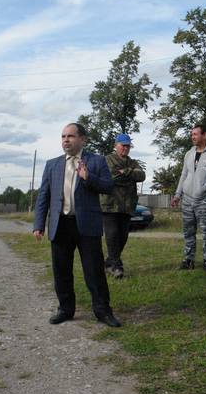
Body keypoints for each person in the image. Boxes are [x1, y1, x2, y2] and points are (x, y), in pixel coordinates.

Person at [33, 123, 121, 327]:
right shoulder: (52, 164)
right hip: (60, 224)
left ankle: (103, 311)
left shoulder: (96, 161)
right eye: (63, 136)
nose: (66, 140)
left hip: (86, 225)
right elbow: (43, 196)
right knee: (61, 271)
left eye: (70, 136)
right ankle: (65, 309)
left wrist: (88, 177)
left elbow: (108, 187)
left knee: (94, 271)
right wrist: (39, 224)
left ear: (83, 139)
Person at [170, 124, 206, 270]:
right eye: (192, 134)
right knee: (188, 231)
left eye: (195, 134)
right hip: (187, 200)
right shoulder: (189, 153)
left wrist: (205, 188)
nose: (192, 137)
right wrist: (177, 194)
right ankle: (189, 260)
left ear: (204, 135)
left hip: (204, 201)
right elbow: (184, 175)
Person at [101, 133, 146, 279]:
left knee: (123, 237)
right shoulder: (107, 159)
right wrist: (130, 176)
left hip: (127, 206)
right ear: (116, 146)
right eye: (123, 145)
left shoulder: (132, 162)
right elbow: (112, 178)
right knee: (112, 235)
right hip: (110, 205)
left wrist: (126, 172)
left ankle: (108, 263)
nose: (125, 148)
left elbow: (142, 176)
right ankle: (116, 267)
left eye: (128, 146)